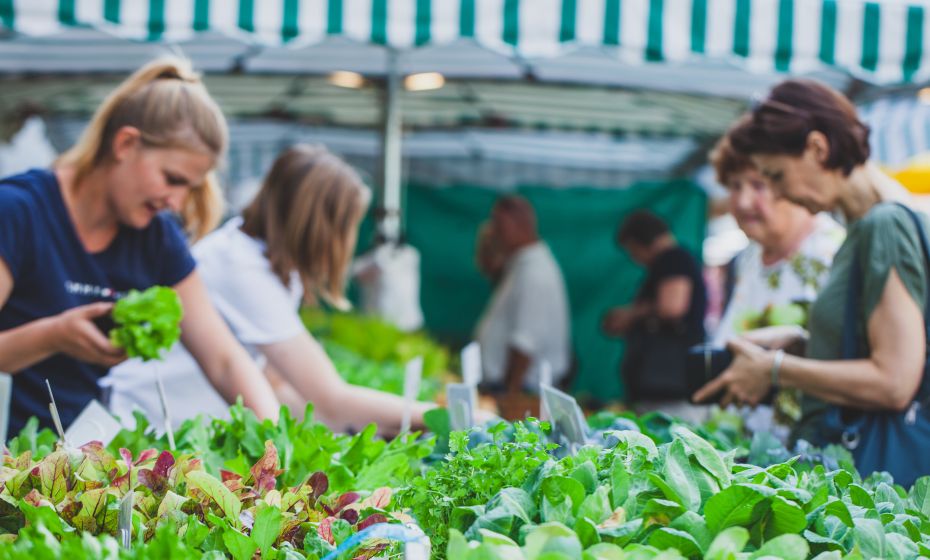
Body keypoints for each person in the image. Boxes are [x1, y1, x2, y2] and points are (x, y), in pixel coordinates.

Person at [0, 57, 280, 437]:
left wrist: (273, 440)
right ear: (125, 144)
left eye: (190, 188)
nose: (177, 202)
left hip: (77, 457)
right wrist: (52, 336)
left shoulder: (156, 238)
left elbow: (225, 360)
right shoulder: (17, 211)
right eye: (172, 179)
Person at [107, 145, 436, 434]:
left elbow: (277, 383)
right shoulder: (242, 269)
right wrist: (445, 417)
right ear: (319, 225)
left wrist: (336, 429)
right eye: (348, 225)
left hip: (170, 425)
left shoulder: (255, 257)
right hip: (143, 425)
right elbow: (332, 398)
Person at [692, 80, 928, 479]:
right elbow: (876, 345)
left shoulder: (883, 225)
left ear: (818, 148)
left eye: (777, 176)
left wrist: (776, 369)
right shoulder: (862, 228)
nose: (780, 193)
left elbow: (894, 381)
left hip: (878, 473)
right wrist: (805, 345)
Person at [710, 130, 845, 347]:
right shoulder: (747, 259)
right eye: (735, 186)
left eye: (758, 185)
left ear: (790, 185)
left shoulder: (834, 252)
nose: (744, 202)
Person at [603, 211, 707, 422]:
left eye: (632, 251)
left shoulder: (673, 258)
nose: (635, 259)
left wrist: (631, 315)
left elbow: (672, 307)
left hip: (671, 392)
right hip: (663, 389)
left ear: (638, 242)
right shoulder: (673, 260)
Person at [474, 196, 571, 394]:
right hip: (512, 386)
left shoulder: (535, 271)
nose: (493, 231)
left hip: (524, 389)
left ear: (515, 224)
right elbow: (490, 269)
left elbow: (526, 342)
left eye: (497, 224)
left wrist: (510, 394)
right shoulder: (521, 264)